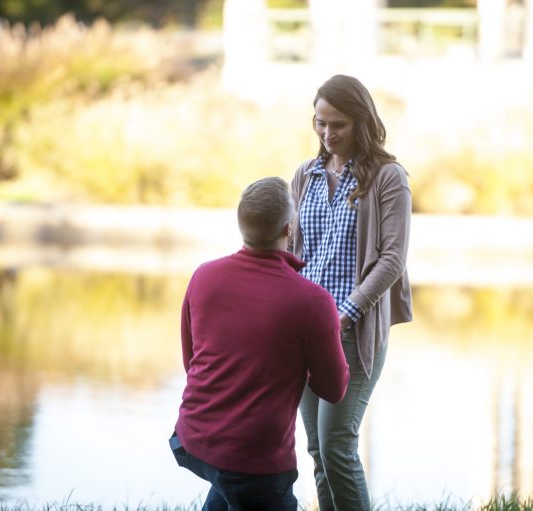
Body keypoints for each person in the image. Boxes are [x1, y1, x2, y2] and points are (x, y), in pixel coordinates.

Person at [170, 176, 350, 511]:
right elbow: (334, 388)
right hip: (257, 461)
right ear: (288, 229)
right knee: (243, 483)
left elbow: (191, 359)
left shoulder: (204, 276)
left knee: (229, 483)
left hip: (192, 437)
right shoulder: (312, 301)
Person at [290, 74, 413, 510]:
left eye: (337, 124)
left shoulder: (388, 177)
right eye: (320, 123)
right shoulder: (305, 175)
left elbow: (392, 259)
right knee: (318, 454)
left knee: (337, 445)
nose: (327, 133)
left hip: (351, 331)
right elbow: (292, 251)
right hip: (304, 332)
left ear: (361, 121)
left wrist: (346, 313)